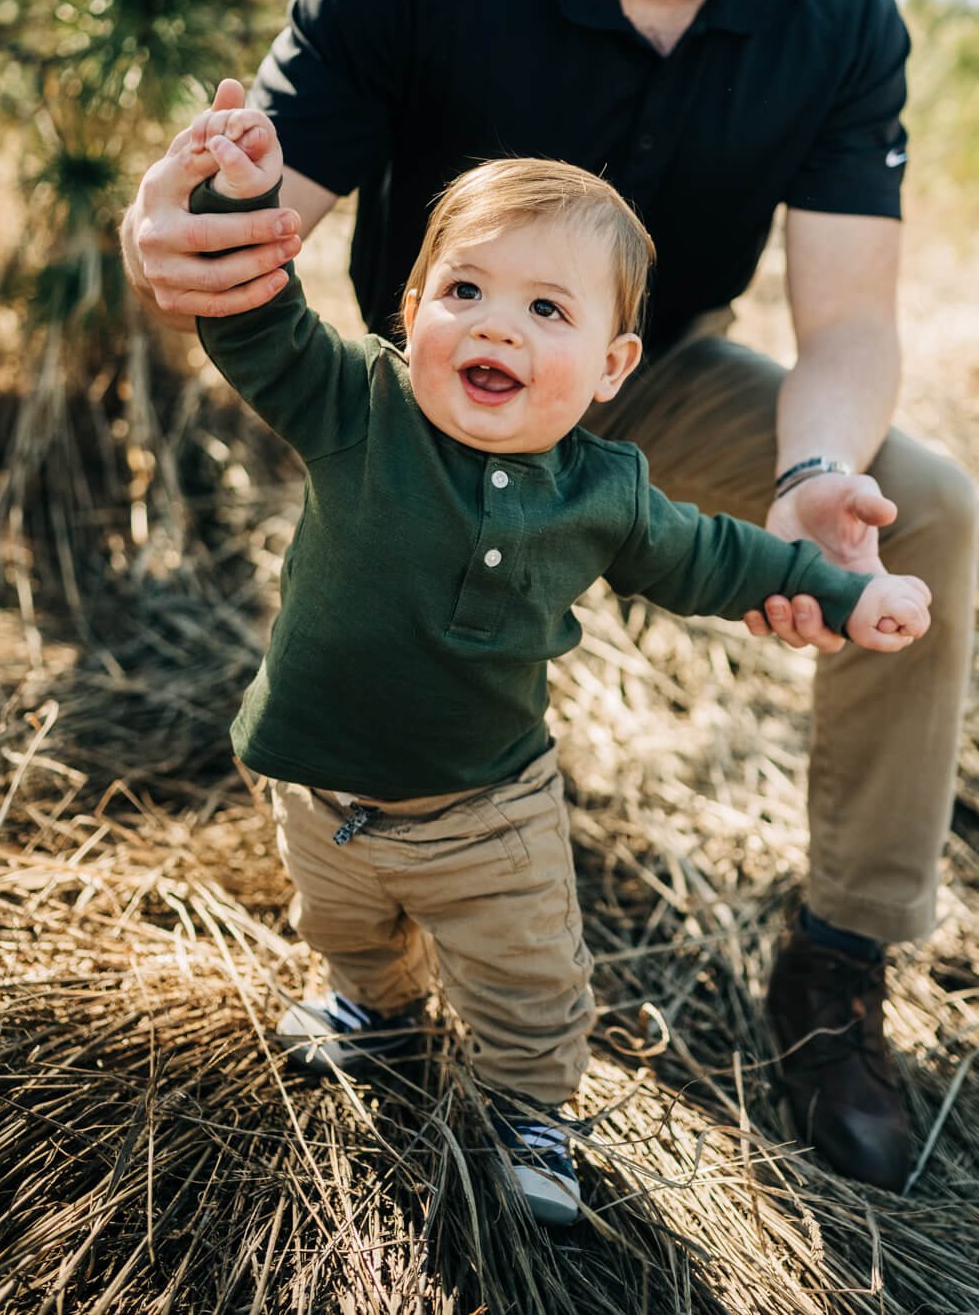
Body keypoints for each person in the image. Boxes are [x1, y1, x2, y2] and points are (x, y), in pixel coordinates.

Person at [121, 0, 979, 1191]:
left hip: (642, 386)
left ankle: (838, 967)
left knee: (919, 508)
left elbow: (849, 319)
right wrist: (187, 230)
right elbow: (252, 219)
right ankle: (369, 952)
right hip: (420, 400)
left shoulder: (842, 18)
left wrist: (810, 480)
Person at [187, 110, 932, 1224]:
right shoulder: (358, 407)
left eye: (547, 310)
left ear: (609, 366)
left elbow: (720, 555)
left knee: (530, 983)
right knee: (341, 921)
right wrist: (237, 198)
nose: (500, 328)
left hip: (489, 808)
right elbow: (253, 323)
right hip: (323, 781)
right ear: (412, 311)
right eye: (465, 292)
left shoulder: (606, 493)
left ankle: (533, 1110)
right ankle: (371, 1006)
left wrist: (849, 591)